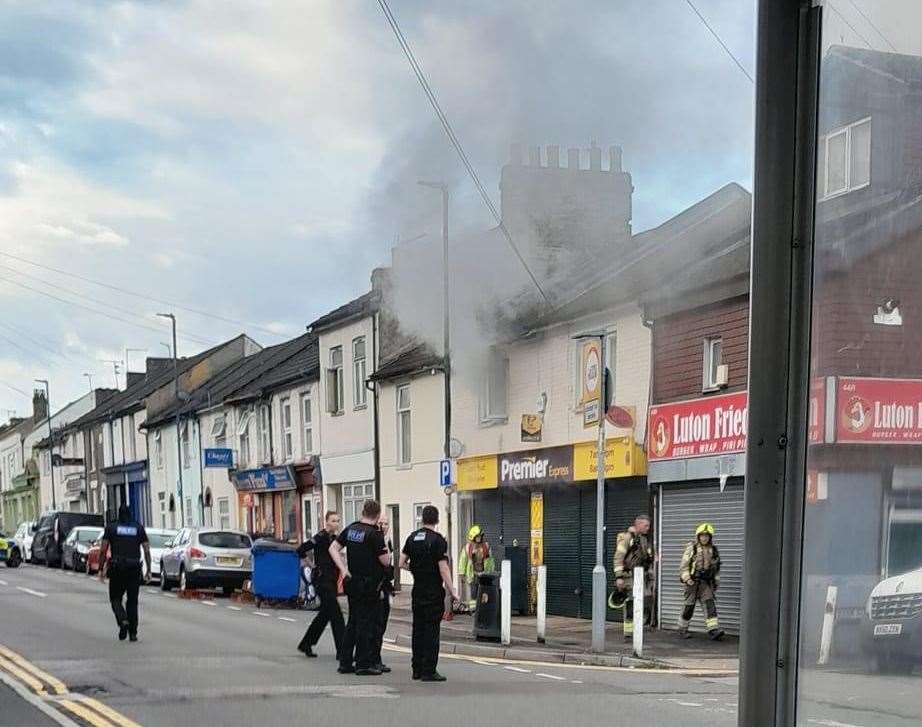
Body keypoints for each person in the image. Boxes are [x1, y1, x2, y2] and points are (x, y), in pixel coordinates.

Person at [329, 499, 391, 676]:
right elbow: (385, 561)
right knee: (366, 623)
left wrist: (343, 569)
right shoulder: (374, 534)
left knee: (353, 621)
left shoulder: (352, 529)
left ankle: (345, 661)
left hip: (352, 581)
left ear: (362, 511)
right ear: (377, 515)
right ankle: (363, 664)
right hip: (369, 584)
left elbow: (333, 548)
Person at [399, 505, 459, 682]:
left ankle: (416, 669)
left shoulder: (412, 538)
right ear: (437, 520)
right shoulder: (438, 540)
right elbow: (443, 568)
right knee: (432, 631)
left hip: (417, 590)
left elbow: (401, 562)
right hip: (433, 591)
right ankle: (429, 670)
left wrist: (416, 569)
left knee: (418, 629)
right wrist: (453, 590)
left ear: (422, 519)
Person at [98, 505, 151, 642]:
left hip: (117, 569)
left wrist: (100, 568)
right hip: (134, 568)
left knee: (115, 598)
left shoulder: (111, 527)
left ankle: (123, 620)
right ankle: (133, 633)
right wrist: (149, 570)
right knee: (132, 601)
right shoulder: (138, 528)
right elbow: (146, 550)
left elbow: (103, 549)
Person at [296, 511, 345, 659]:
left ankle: (306, 643)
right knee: (337, 615)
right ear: (327, 522)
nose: (336, 524)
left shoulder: (336, 539)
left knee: (325, 614)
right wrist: (312, 565)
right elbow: (301, 549)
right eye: (333, 521)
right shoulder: (320, 537)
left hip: (332, 579)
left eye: (338, 521)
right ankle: (343, 651)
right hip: (322, 580)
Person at [678, 522, 725, 641]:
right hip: (692, 583)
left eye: (707, 536)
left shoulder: (713, 550)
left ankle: (713, 630)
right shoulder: (692, 548)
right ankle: (683, 629)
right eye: (702, 535)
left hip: (705, 584)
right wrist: (687, 578)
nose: (704, 538)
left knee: (710, 605)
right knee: (689, 607)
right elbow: (683, 566)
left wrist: (716, 583)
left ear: (710, 537)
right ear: (698, 536)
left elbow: (716, 569)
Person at [612, 514, 655, 641]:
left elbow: (647, 558)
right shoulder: (627, 538)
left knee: (643, 601)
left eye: (649, 525)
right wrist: (619, 577)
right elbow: (618, 557)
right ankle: (628, 634)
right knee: (631, 603)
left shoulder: (643, 539)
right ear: (638, 525)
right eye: (646, 525)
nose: (648, 528)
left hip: (641, 576)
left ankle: (637, 629)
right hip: (629, 576)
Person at [371, 515, 395, 673]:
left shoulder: (388, 541)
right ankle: (373, 659)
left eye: (386, 523)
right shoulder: (374, 540)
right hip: (376, 587)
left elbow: (390, 563)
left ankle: (376, 658)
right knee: (376, 625)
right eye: (381, 523)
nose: (384, 526)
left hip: (386, 586)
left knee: (383, 624)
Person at [458, 524, 494, 609]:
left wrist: (491, 572)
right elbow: (463, 561)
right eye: (477, 536)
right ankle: (474, 611)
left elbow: (491, 561)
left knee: (484, 594)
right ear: (473, 537)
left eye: (480, 536)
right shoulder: (468, 548)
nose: (479, 538)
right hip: (473, 575)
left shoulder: (486, 546)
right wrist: (461, 574)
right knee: (474, 595)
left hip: (484, 575)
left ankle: (483, 610)